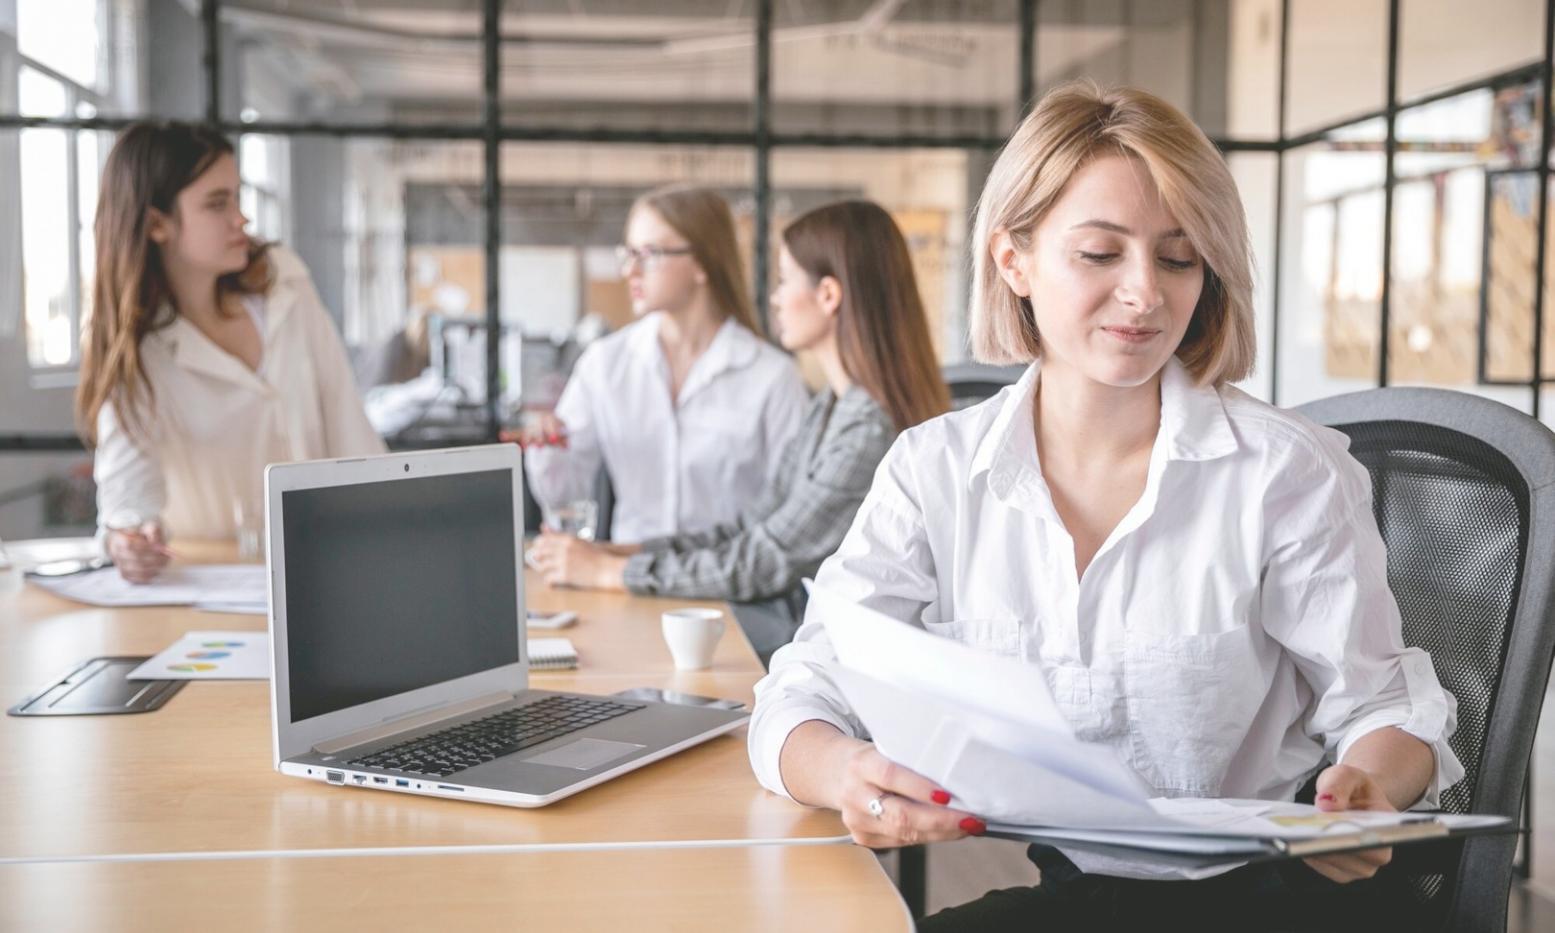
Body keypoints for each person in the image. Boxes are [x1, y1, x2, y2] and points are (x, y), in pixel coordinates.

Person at [747, 83, 1463, 932]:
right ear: (1012, 259)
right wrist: (845, 773)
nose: (1144, 294)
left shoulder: (1282, 472)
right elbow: (803, 682)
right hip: (1077, 898)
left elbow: (1385, 707)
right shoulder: (934, 470)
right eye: (1099, 253)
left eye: (1177, 257)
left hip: (1269, 902)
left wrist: (1372, 786)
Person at [528, 201, 949, 633]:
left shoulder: (868, 429)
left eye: (784, 281)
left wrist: (607, 572)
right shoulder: (830, 408)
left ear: (828, 296)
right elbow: (752, 526)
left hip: (827, 648)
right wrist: (620, 554)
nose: (775, 298)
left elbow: (768, 559)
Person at [78, 121, 385, 583]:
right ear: (156, 224)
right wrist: (130, 543)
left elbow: (350, 427)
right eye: (217, 204)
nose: (241, 219)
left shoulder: (285, 282)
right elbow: (128, 507)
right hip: (215, 584)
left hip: (327, 568)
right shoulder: (133, 351)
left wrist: (391, 526)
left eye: (237, 198)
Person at [519, 184, 808, 545]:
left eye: (650, 253)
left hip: (730, 587)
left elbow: (792, 513)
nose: (631, 271)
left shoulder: (771, 376)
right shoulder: (605, 363)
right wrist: (549, 447)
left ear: (702, 263)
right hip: (624, 579)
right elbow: (565, 497)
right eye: (629, 253)